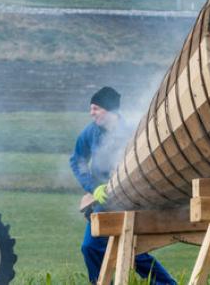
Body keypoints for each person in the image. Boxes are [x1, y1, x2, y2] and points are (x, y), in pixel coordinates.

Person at [70, 87, 177, 285]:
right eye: (91, 108)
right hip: (103, 200)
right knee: (90, 247)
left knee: (132, 251)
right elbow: (77, 161)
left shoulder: (132, 133)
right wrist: (94, 188)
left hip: (131, 199)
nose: (91, 113)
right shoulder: (90, 132)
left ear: (110, 110)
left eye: (96, 108)